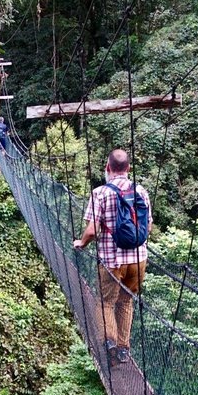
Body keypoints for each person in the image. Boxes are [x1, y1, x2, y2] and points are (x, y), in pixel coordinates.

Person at [73, 149, 152, 364]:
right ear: (128, 169)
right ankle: (124, 349)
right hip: (138, 260)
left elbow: (91, 231)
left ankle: (109, 342)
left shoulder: (100, 193)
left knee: (106, 302)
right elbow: (149, 226)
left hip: (111, 261)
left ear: (108, 168)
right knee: (126, 302)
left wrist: (81, 243)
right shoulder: (141, 191)